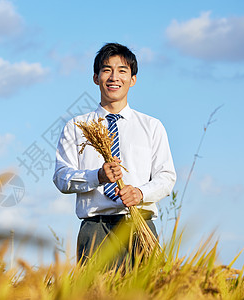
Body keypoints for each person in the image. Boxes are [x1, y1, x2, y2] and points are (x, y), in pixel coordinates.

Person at [52, 42, 176, 265]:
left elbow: (166, 177)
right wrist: (97, 176)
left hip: (139, 227)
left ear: (133, 79)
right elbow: (61, 178)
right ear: (95, 77)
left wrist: (140, 192)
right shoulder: (77, 126)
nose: (113, 77)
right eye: (107, 70)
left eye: (122, 71)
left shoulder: (152, 126)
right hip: (96, 230)